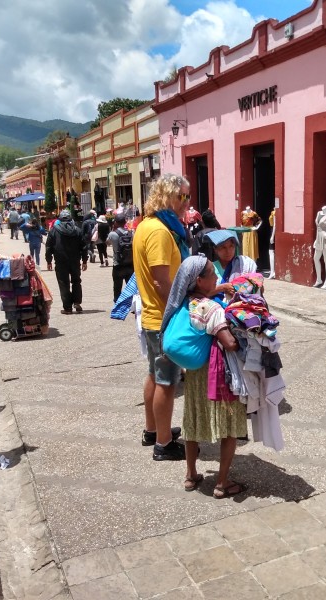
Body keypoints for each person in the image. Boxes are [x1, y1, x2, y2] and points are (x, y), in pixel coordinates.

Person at [163, 256, 248, 497]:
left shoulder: (185, 302)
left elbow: (203, 303)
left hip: (195, 375)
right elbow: (229, 344)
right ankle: (222, 483)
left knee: (193, 421)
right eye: (212, 274)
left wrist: (217, 290)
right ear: (199, 280)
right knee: (230, 426)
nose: (217, 277)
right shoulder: (211, 309)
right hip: (217, 374)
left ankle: (191, 475)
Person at [133, 173, 191, 460]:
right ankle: (164, 445)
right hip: (162, 318)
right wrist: (181, 310)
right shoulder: (158, 231)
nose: (186, 202)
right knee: (167, 381)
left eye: (188, 196)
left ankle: (153, 430)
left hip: (153, 317)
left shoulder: (148, 225)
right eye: (182, 196)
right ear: (167, 195)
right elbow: (160, 280)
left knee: (154, 376)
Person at [45, 210, 88, 315]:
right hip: (75, 261)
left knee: (64, 284)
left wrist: (49, 261)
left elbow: (48, 247)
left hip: (60, 262)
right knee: (76, 281)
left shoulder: (54, 230)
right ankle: (77, 303)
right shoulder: (77, 230)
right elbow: (84, 246)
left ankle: (68, 308)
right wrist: (84, 261)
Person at [205, 229, 257, 303]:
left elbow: (254, 286)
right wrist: (223, 287)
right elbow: (204, 293)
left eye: (231, 246)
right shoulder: (210, 268)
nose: (228, 251)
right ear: (215, 249)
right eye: (223, 247)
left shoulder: (243, 264)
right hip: (217, 308)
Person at [108, 213, 135, 302]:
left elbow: (107, 243)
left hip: (118, 264)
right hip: (130, 264)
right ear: (125, 222)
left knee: (117, 287)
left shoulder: (113, 234)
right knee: (130, 287)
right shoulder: (131, 233)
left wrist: (113, 229)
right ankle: (132, 305)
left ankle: (117, 304)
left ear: (115, 222)